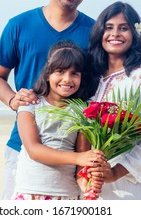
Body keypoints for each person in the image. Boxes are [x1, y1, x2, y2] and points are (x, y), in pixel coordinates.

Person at [0, 0, 141, 200]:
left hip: (75, 149)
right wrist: (13, 100)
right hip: (24, 144)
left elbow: (115, 71)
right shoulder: (18, 25)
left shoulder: (95, 32)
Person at [88, 1, 141, 199]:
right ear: (100, 33)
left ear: (136, 34)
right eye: (109, 28)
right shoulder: (91, 78)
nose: (115, 34)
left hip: (128, 185)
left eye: (124, 28)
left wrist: (114, 173)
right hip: (90, 181)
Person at [13, 40, 106, 200]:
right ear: (48, 74)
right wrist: (79, 158)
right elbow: (34, 150)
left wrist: (88, 185)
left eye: (74, 73)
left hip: (67, 195)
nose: (67, 79)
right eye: (60, 71)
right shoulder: (31, 104)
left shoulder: (84, 110)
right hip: (30, 192)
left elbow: (81, 164)